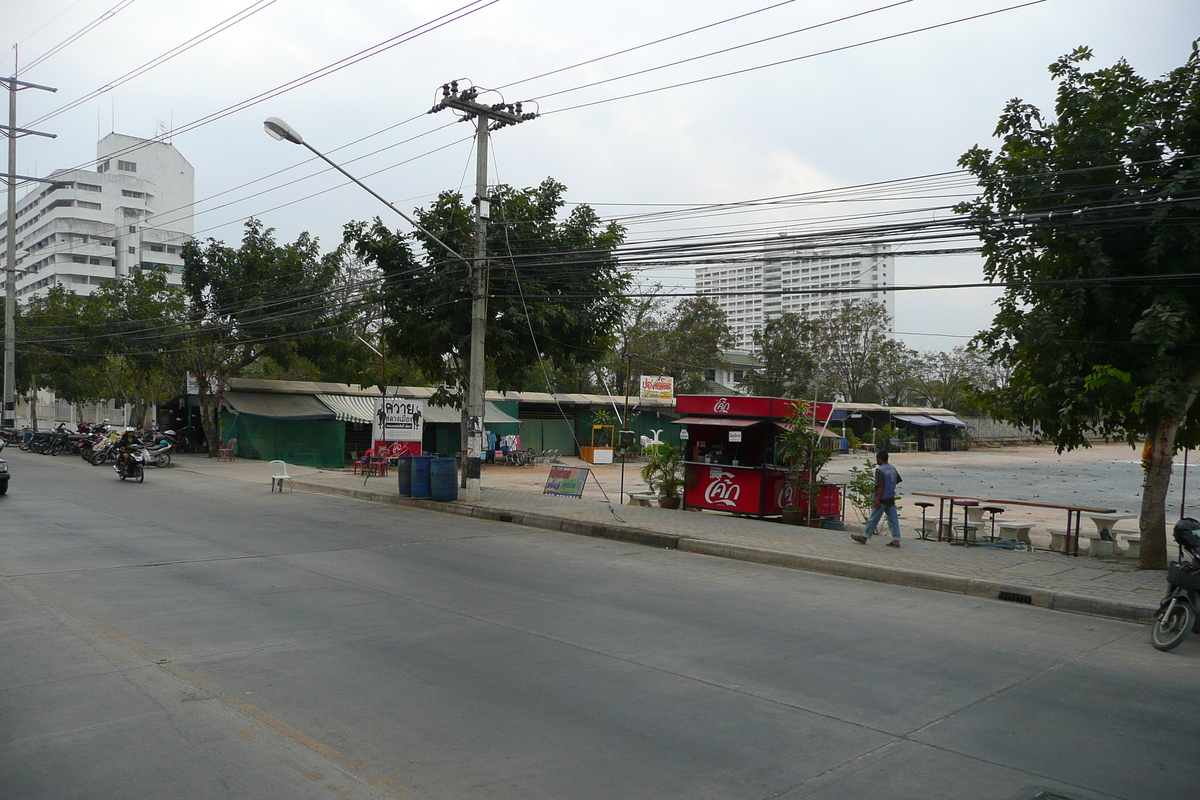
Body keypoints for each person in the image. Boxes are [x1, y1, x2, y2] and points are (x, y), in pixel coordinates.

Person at [851, 450, 903, 547]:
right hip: (890, 498)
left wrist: (877, 499)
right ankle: (896, 540)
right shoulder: (892, 468)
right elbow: (897, 480)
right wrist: (890, 487)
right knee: (893, 520)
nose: (876, 461)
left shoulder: (880, 470)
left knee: (873, 519)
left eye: (877, 459)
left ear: (880, 459)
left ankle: (864, 537)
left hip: (882, 499)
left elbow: (880, 486)